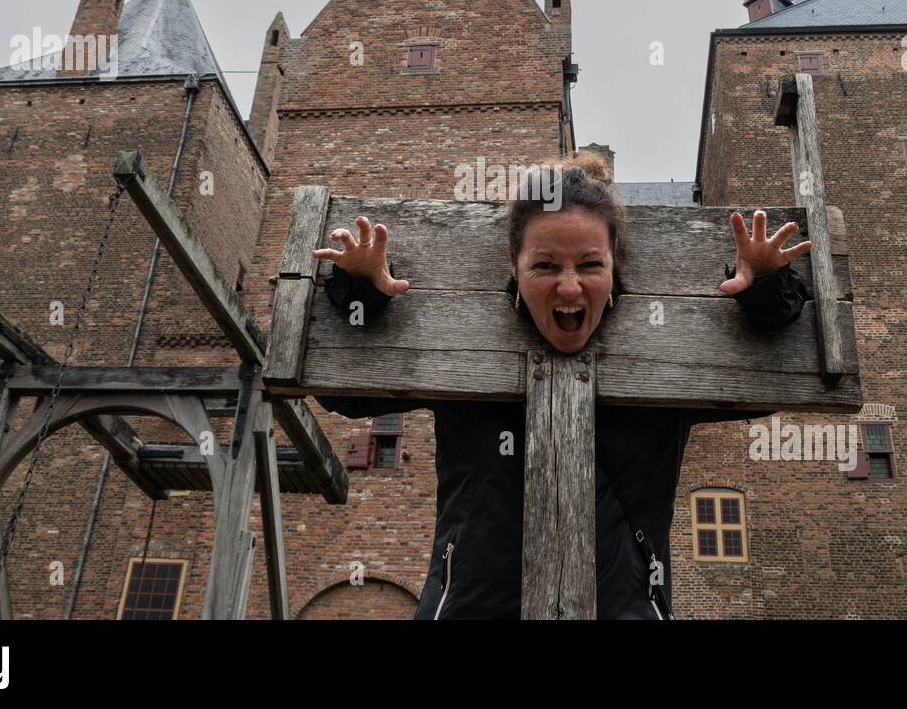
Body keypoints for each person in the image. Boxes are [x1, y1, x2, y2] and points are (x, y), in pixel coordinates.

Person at [311, 152, 811, 619]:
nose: (569, 288)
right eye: (545, 265)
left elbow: (780, 383)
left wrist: (767, 294)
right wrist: (360, 296)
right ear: (513, 263)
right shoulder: (457, 359)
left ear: (615, 263)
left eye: (590, 265)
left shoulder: (670, 368)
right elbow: (341, 392)